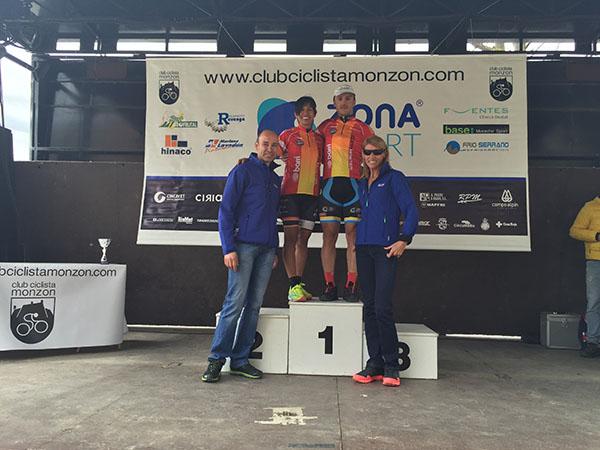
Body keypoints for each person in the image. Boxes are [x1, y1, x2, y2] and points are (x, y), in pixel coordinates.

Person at [202, 129, 281, 382]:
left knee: (254, 306)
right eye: (265, 144)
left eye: (274, 145)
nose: (269, 149)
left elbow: (271, 216)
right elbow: (226, 211)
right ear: (256, 145)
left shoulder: (275, 178)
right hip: (243, 247)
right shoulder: (242, 171)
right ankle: (216, 360)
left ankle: (240, 360)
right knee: (234, 303)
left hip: (267, 250)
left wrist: (275, 248)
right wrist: (228, 248)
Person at [352, 135, 418, 387]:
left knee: (382, 307)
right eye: (367, 152)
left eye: (377, 152)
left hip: (386, 249)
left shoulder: (394, 178)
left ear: (385, 154)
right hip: (363, 249)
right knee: (369, 307)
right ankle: (374, 363)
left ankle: (392, 365)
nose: (372, 157)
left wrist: (404, 239)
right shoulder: (361, 183)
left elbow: (411, 210)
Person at [317, 84, 374, 301]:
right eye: (340, 99)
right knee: (329, 236)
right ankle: (329, 284)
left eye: (348, 99)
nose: (344, 103)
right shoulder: (324, 127)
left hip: (354, 187)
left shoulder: (363, 128)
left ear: (354, 102)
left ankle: (351, 284)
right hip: (330, 187)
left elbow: (375, 157)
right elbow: (307, 151)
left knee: (353, 237)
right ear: (334, 102)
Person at [279, 96, 323, 302]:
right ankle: (292, 285)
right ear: (296, 115)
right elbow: (268, 150)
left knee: (303, 239)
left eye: (310, 110)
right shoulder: (286, 135)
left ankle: (298, 283)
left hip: (311, 194)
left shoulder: (319, 138)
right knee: (290, 238)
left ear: (315, 114)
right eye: (302, 111)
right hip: (290, 193)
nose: (306, 114)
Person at [569, 195, 600, 358]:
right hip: (595, 262)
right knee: (594, 302)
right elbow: (574, 231)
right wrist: (596, 236)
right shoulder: (590, 207)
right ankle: (593, 342)